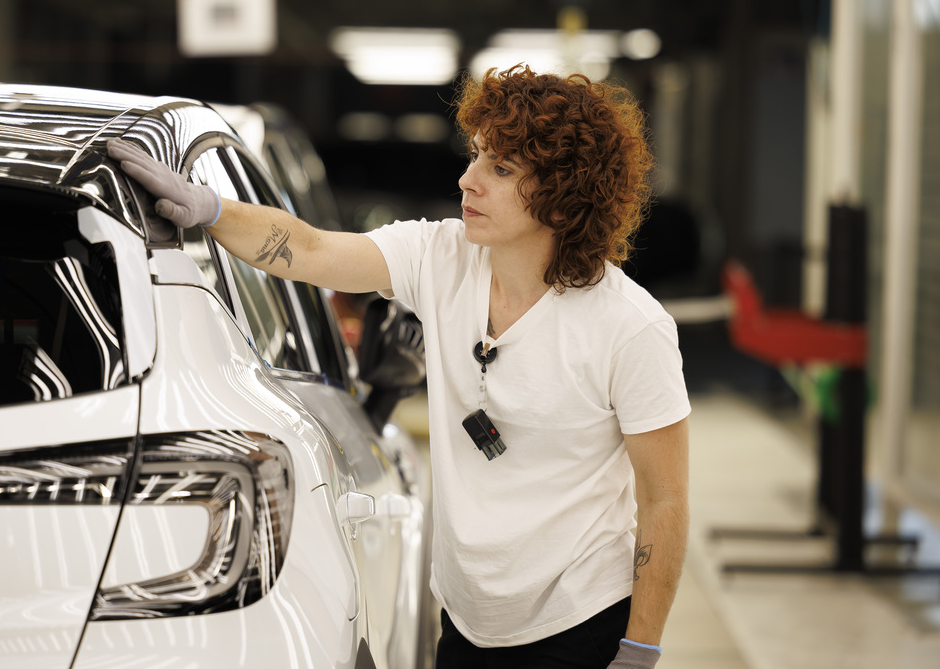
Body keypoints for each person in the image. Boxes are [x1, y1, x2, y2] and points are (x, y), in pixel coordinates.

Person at [108, 65, 690, 669]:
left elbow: (665, 500)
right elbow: (312, 249)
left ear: (564, 192)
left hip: (580, 624)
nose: (468, 180)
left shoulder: (630, 328)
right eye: (475, 157)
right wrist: (210, 209)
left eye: (501, 168)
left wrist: (640, 647)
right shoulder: (443, 257)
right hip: (468, 625)